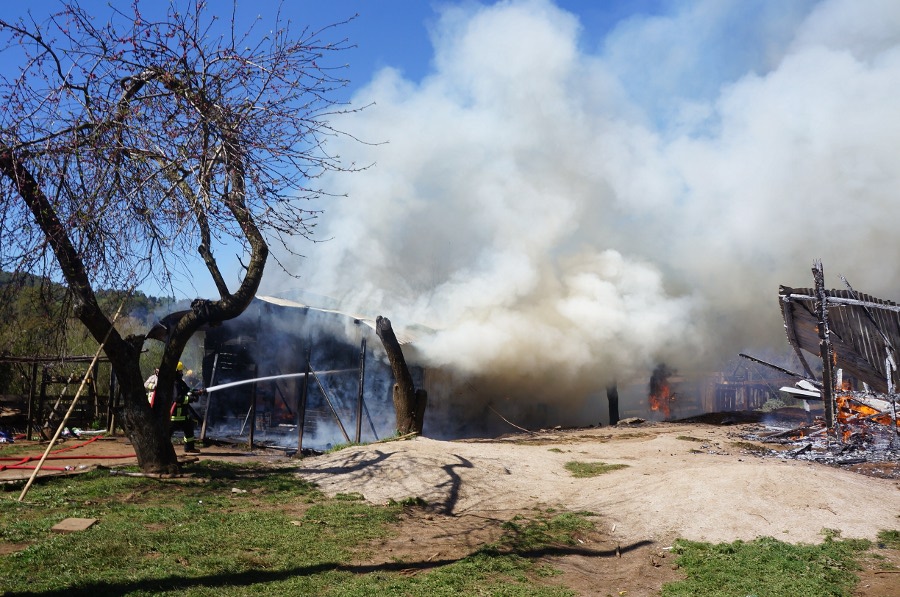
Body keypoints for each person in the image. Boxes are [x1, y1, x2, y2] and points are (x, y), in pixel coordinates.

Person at [170, 361, 204, 454]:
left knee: (189, 429)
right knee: (167, 433)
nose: (182, 373)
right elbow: (177, 398)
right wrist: (190, 399)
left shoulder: (180, 382)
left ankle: (189, 448)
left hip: (183, 414)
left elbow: (188, 390)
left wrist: (197, 392)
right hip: (174, 415)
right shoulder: (174, 383)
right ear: (176, 371)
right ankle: (161, 449)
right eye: (180, 371)